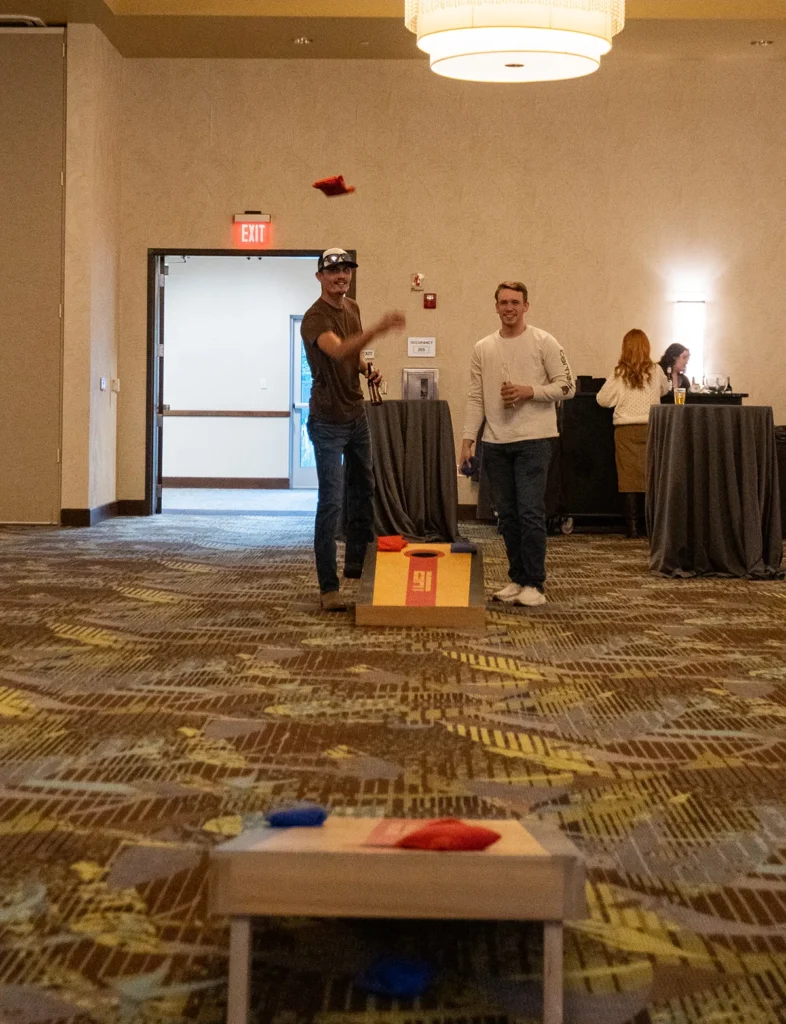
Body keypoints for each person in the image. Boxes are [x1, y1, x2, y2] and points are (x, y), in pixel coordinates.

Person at [301, 248, 405, 611]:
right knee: (331, 501)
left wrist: (366, 369)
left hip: (356, 416)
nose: (340, 276)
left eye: (345, 270)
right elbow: (341, 349)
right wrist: (378, 329)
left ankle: (356, 567)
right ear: (320, 277)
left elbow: (354, 355)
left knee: (365, 489)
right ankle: (329, 588)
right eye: (333, 271)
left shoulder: (353, 308)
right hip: (327, 421)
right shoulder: (314, 319)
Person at [460, 281, 575, 607]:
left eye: (515, 302)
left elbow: (568, 386)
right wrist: (468, 440)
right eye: (503, 303)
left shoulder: (544, 342)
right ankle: (517, 578)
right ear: (496, 307)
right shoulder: (483, 347)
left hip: (535, 440)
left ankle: (535, 585)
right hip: (495, 443)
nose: (509, 308)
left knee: (529, 512)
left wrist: (531, 391)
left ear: (526, 306)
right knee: (506, 516)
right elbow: (475, 398)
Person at [596, 329, 670, 537]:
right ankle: (651, 525)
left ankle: (633, 527)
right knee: (651, 476)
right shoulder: (656, 371)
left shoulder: (619, 373)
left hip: (626, 430)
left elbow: (602, 399)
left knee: (628, 478)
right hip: (651, 429)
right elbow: (664, 391)